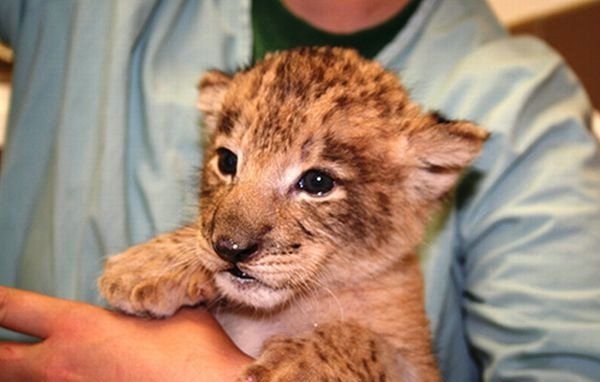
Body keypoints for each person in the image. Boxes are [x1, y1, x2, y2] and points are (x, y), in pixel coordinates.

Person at [1, 0, 599, 380]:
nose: (230, 236)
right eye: (228, 162)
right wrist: (181, 253)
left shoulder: (521, 91)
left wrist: (340, 356)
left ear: (427, 181)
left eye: (315, 182)